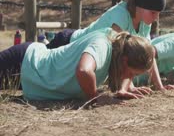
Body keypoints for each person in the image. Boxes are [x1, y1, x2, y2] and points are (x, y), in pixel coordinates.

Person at [0, 29, 154, 101]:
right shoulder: (102, 46)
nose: (131, 78)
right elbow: (83, 71)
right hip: (25, 62)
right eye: (133, 74)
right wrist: (96, 99)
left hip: (32, 77)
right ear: (125, 61)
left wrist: (125, 87)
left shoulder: (117, 50)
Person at [47, 0, 165, 48]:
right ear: (140, 6)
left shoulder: (145, 22)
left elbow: (147, 52)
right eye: (153, 12)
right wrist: (128, 86)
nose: (156, 18)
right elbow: (119, 55)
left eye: (158, 13)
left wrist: (160, 86)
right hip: (66, 44)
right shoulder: (121, 16)